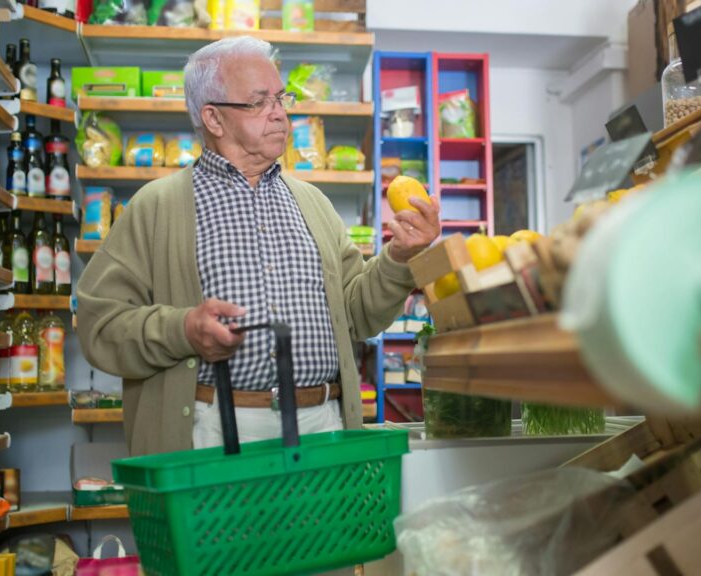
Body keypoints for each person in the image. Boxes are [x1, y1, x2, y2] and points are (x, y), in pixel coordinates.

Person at [76, 36, 440, 456]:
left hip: (322, 423)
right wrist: (184, 329)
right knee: (220, 526)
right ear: (213, 119)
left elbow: (356, 315)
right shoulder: (155, 207)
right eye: (259, 102)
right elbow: (99, 326)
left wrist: (398, 258)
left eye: (281, 98)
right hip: (211, 429)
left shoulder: (313, 203)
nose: (280, 114)